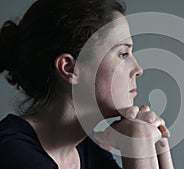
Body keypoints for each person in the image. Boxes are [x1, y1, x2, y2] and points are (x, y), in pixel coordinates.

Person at [0, 0, 174, 168]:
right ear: (69, 67)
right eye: (123, 54)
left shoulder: (88, 154)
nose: (138, 69)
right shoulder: (11, 153)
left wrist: (159, 144)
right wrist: (138, 143)